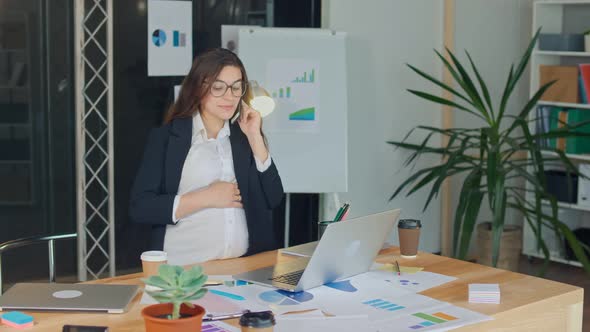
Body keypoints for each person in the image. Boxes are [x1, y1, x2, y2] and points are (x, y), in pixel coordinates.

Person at [129, 48, 284, 265]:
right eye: (219, 87)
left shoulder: (244, 137)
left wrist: (255, 137)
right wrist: (206, 197)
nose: (229, 96)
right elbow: (141, 207)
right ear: (198, 88)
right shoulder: (167, 137)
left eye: (236, 87)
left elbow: (273, 197)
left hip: (242, 268)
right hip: (183, 270)